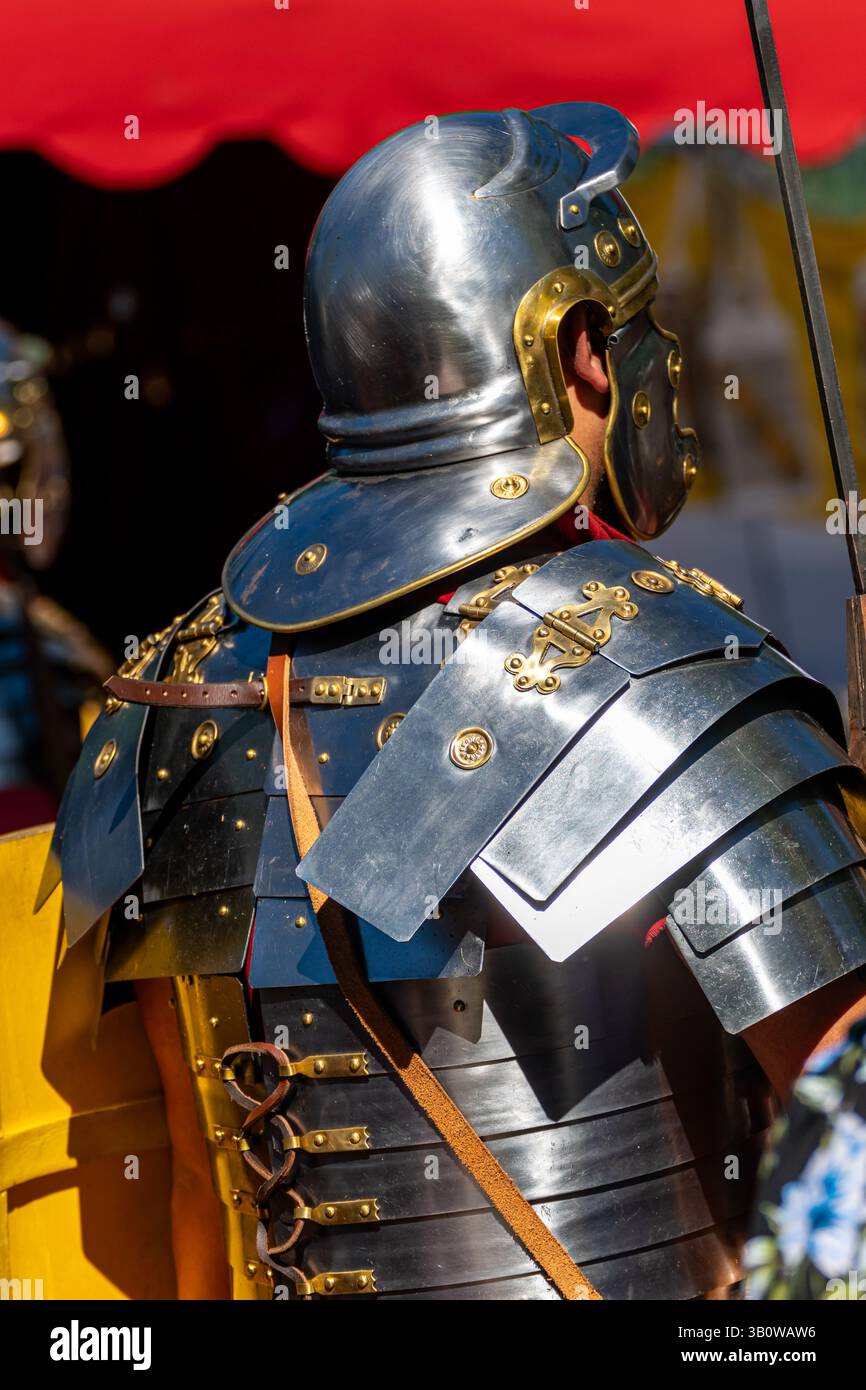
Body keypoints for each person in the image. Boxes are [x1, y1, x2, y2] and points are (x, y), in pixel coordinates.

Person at [37, 104, 866, 1301]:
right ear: (581, 350)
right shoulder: (667, 673)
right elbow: (841, 1122)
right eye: (632, 328)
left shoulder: (170, 697)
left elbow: (195, 1198)